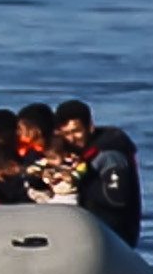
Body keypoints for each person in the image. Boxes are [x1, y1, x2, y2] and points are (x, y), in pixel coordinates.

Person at [56, 100, 143, 243]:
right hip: (86, 227)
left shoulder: (109, 154)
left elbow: (117, 199)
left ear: (90, 127)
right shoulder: (70, 153)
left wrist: (79, 183)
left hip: (115, 233)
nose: (72, 138)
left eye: (76, 131)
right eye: (66, 134)